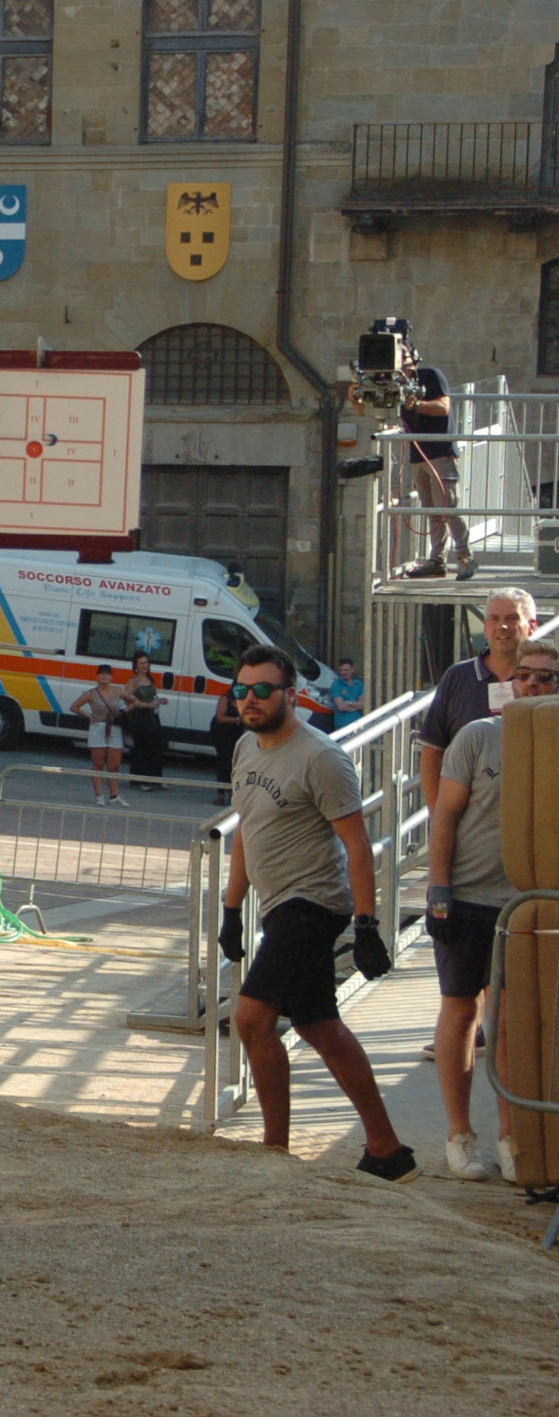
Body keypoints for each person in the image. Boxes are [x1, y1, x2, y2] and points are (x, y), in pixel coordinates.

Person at [219, 645, 416, 1183]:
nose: (251, 700)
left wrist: (368, 925)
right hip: (276, 903)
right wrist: (231, 909)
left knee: (252, 1018)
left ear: (292, 695)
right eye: (242, 690)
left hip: (313, 904)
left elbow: (356, 845)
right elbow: (245, 832)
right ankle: (386, 1149)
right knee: (318, 1026)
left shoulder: (320, 757)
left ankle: (273, 1153)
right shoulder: (245, 749)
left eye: (263, 689)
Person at [424, 638, 556, 1183]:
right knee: (462, 1011)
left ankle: (511, 1136)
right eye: (524, 675)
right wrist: (437, 889)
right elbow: (445, 815)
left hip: (528, 904)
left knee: (511, 1024)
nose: (532, 685)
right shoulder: (478, 737)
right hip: (470, 896)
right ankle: (460, 1135)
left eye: (546, 678)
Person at [370, 322, 473, 581]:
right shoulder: (393, 385)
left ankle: (465, 557)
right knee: (431, 510)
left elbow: (443, 407)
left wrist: (414, 404)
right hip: (417, 456)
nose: (400, 365)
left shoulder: (431, 376)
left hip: (439, 451)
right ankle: (437, 560)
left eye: (403, 357)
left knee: (448, 507)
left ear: (413, 357)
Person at [418, 589, 538, 810]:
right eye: (493, 618)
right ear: (485, 626)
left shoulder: (545, 681)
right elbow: (432, 753)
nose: (502, 627)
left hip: (535, 817)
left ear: (532, 626)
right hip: (470, 826)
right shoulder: (457, 677)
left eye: (512, 619)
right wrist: (439, 818)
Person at [69, 665, 129, 806]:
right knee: (98, 763)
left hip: (114, 728)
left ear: (111, 677)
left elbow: (132, 701)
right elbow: (74, 707)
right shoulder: (91, 693)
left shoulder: (118, 690)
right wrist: (88, 715)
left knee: (114, 764)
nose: (104, 677)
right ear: (97, 676)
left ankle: (114, 796)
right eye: (101, 674)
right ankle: (99, 795)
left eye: (107, 674)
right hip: (98, 727)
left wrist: (124, 712)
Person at [123, 652, 167, 789]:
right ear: (135, 665)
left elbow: (152, 697)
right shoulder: (132, 682)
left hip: (152, 716)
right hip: (139, 717)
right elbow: (128, 700)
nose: (144, 666)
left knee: (156, 747)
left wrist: (159, 701)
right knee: (141, 748)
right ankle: (139, 780)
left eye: (146, 663)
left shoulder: (150, 680)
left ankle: (155, 779)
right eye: (141, 663)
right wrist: (146, 705)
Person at [210, 685, 242, 806]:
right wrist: (237, 720)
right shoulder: (225, 698)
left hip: (236, 734)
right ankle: (221, 794)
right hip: (222, 733)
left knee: (235, 763)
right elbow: (220, 717)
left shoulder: (244, 699)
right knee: (224, 762)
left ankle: (232, 791)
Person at [327, 658, 366, 733]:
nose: (343, 673)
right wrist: (355, 705)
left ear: (352, 670)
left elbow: (363, 704)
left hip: (358, 724)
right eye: (341, 670)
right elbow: (341, 707)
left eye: (346, 670)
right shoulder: (336, 685)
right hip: (342, 726)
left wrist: (348, 703)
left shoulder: (358, 684)